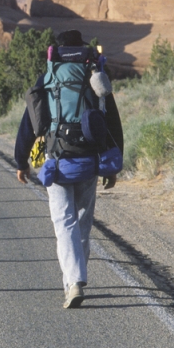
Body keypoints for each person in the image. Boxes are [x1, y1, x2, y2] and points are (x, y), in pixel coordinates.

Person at [15, 30, 124, 308]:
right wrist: (113, 166)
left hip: (58, 160)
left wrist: (21, 161)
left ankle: (73, 282)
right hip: (89, 161)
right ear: (82, 48)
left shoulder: (49, 78)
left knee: (64, 224)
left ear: (57, 50)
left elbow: (29, 122)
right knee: (83, 223)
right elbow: (112, 122)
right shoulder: (94, 76)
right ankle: (75, 279)